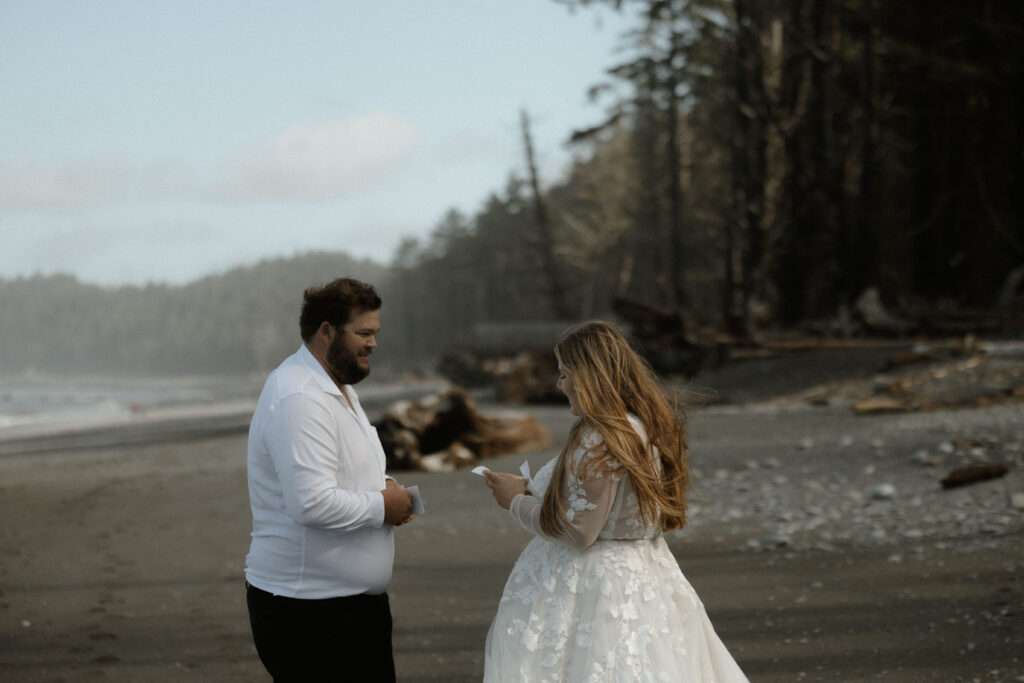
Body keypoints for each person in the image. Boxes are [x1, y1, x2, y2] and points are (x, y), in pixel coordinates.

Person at [482, 320, 749, 682]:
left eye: (565, 374)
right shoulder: (644, 424)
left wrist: (514, 501)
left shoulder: (600, 437)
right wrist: (535, 489)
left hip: (593, 590)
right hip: (646, 575)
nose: (560, 385)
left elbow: (579, 532)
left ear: (588, 376)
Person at [244, 277, 414, 682]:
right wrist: (382, 506)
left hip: (343, 609)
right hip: (309, 613)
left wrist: (384, 485)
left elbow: (346, 467)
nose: (373, 343)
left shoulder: (336, 388)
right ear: (326, 330)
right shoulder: (300, 397)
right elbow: (312, 503)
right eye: (364, 333)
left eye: (375, 333)